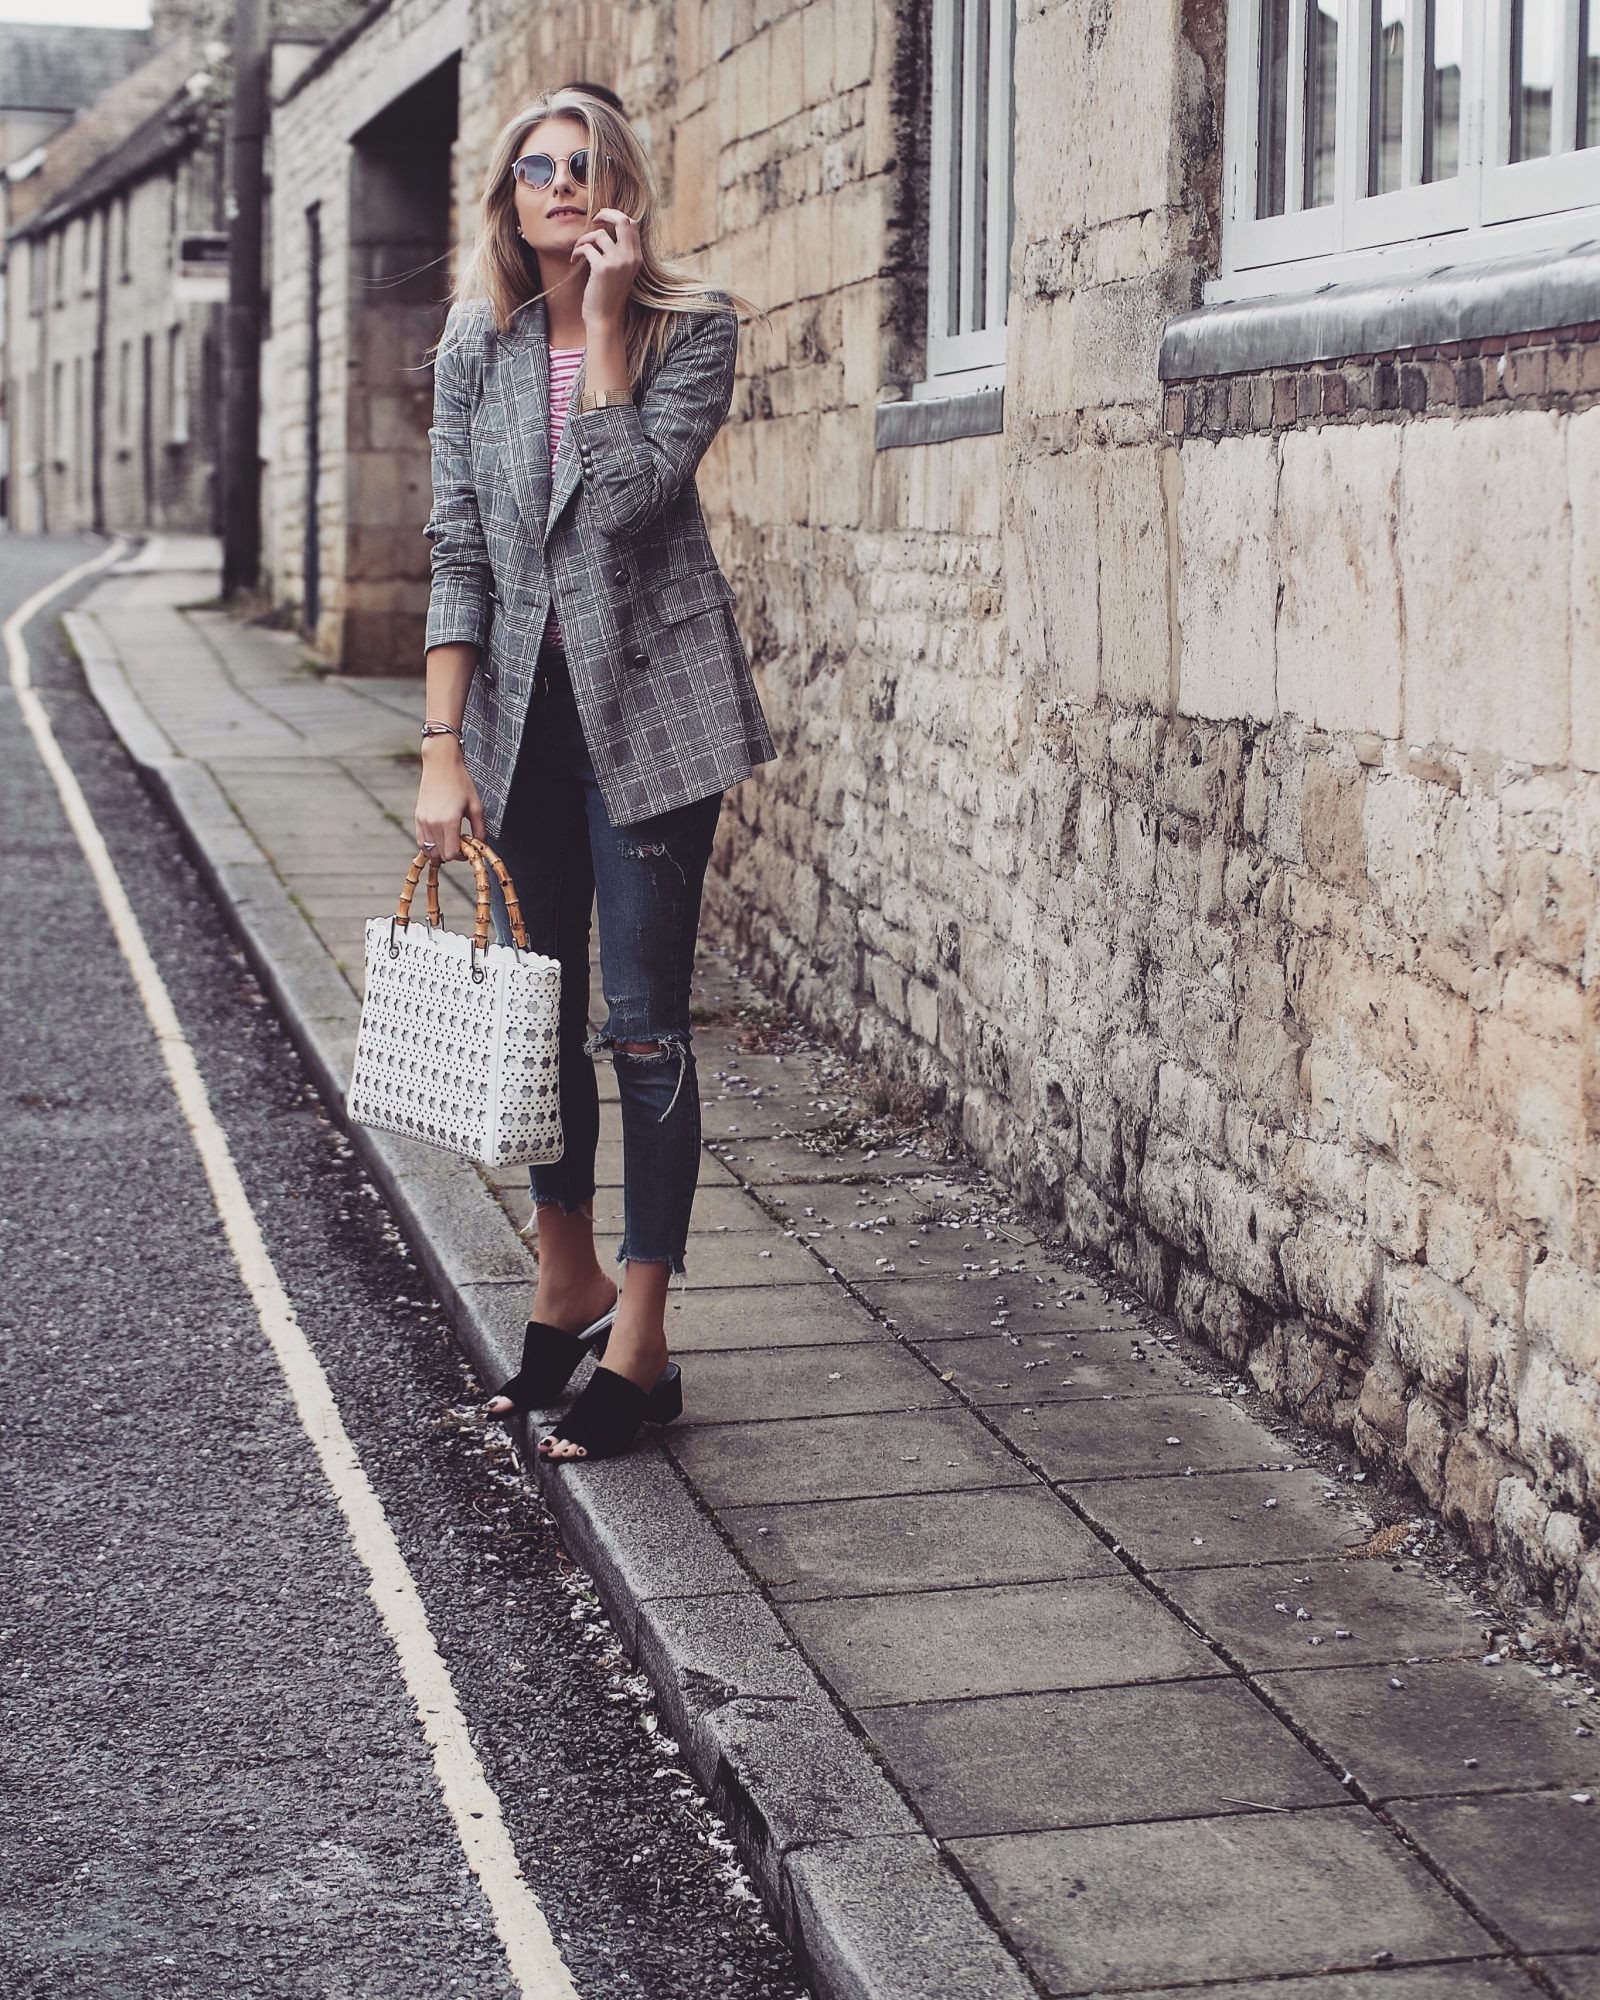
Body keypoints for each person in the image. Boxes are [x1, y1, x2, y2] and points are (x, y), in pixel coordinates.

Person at [414, 85, 776, 1462]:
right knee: (537, 1018)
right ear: (506, 200)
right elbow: (458, 548)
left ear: (616, 184)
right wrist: (442, 750)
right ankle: (559, 1274)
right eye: (533, 170)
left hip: (654, 724)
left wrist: (611, 327)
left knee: (644, 1027)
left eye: (580, 166)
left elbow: (625, 500)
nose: (557, 185)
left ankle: (640, 1335)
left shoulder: (695, 328)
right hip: (517, 729)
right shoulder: (476, 346)